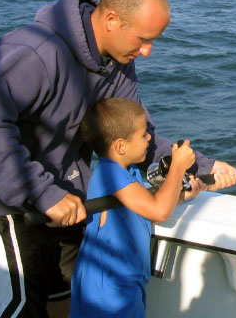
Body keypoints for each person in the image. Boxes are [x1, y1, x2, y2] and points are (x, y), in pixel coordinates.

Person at [0, 0, 236, 318]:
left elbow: (134, 138)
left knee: (67, 299)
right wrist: (45, 195)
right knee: (19, 311)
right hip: (3, 204)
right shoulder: (34, 52)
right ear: (111, 20)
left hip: (68, 201)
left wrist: (202, 167)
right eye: (143, 39)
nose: (147, 52)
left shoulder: (119, 64)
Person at [71, 98, 205, 318]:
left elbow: (143, 211)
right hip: (109, 288)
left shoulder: (127, 172)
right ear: (121, 146)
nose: (149, 138)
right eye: (143, 135)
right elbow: (158, 211)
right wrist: (178, 167)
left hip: (124, 282)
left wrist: (181, 195)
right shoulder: (109, 173)